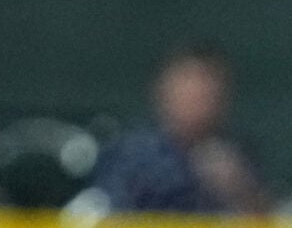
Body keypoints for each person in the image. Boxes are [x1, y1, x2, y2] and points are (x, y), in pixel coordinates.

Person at [88, 43, 264, 215]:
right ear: (164, 91)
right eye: (189, 86)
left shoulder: (238, 154)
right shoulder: (132, 155)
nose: (199, 97)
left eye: (208, 90)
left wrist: (241, 191)